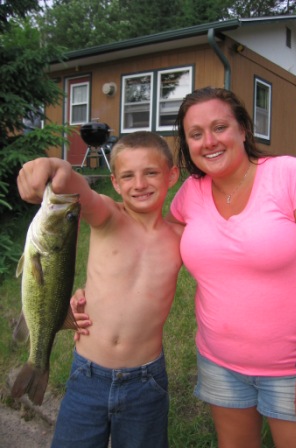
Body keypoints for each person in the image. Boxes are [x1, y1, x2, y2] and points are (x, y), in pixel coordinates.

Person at [165, 86, 296, 448]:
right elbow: (150, 252)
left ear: (244, 129)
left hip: (293, 370)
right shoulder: (189, 195)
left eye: (219, 127)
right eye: (196, 134)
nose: (209, 141)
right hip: (218, 364)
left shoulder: (290, 176)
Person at [17, 131, 183, 448]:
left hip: (146, 383)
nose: (140, 183)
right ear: (115, 183)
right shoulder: (108, 215)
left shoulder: (181, 236)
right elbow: (75, 187)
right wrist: (52, 166)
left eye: (151, 172)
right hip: (88, 376)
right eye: (127, 176)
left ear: (171, 175)